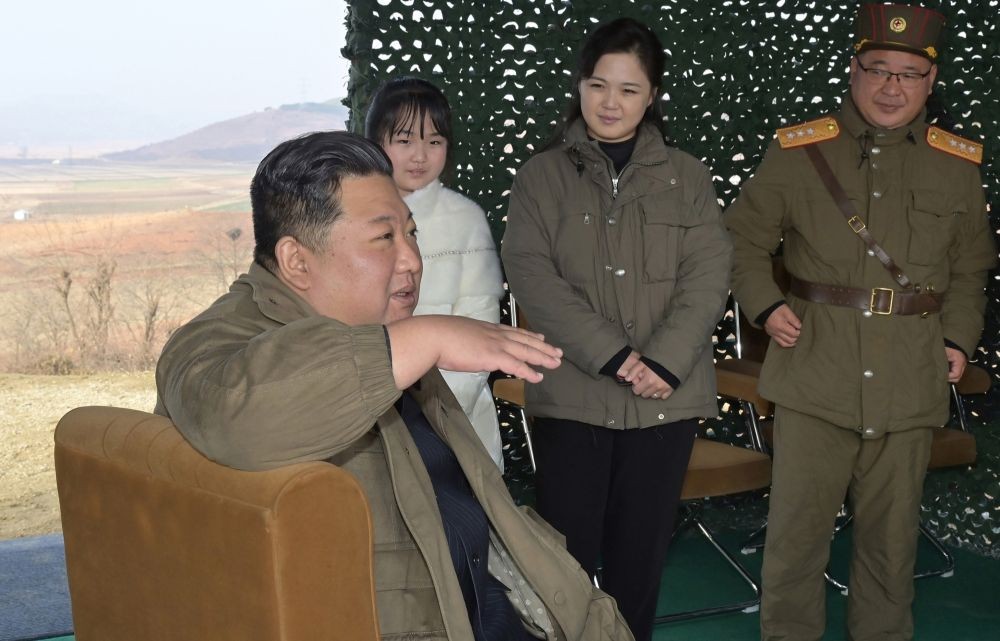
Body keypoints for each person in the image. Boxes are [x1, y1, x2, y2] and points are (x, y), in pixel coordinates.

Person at [153, 131, 635, 641]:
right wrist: (423, 337)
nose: (411, 260)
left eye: (412, 234)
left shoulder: (378, 331)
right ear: (296, 260)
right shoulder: (214, 342)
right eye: (385, 238)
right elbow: (237, 417)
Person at [724, 5, 996, 640]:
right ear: (853, 70)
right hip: (816, 373)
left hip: (909, 376)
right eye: (878, 70)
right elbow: (741, 241)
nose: (892, 87)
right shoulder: (799, 151)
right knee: (795, 541)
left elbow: (970, 271)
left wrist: (958, 338)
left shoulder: (956, 165)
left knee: (890, 546)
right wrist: (766, 304)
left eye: (908, 74)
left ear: (930, 82)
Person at [501, 17, 733, 641]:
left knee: (640, 562)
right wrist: (614, 357)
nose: (611, 102)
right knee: (565, 562)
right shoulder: (540, 177)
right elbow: (531, 279)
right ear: (578, 86)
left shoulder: (689, 177)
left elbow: (708, 277)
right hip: (574, 398)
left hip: (666, 400)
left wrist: (661, 362)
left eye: (629, 89)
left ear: (652, 96)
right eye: (599, 84)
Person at [366, 77, 507, 470]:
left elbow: (481, 327)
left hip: (452, 418)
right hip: (366, 412)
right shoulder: (349, 217)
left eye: (434, 141)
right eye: (405, 139)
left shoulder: (466, 218)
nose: (419, 156)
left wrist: (430, 416)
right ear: (377, 141)